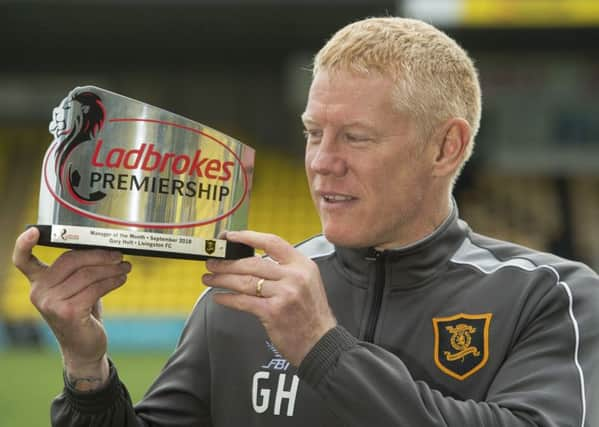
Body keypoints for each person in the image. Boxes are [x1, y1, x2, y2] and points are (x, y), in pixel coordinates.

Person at [13, 17, 599, 427]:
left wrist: (322, 349)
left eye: (356, 137)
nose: (321, 161)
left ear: (446, 148)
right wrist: (86, 372)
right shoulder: (240, 295)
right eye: (313, 133)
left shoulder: (551, 297)